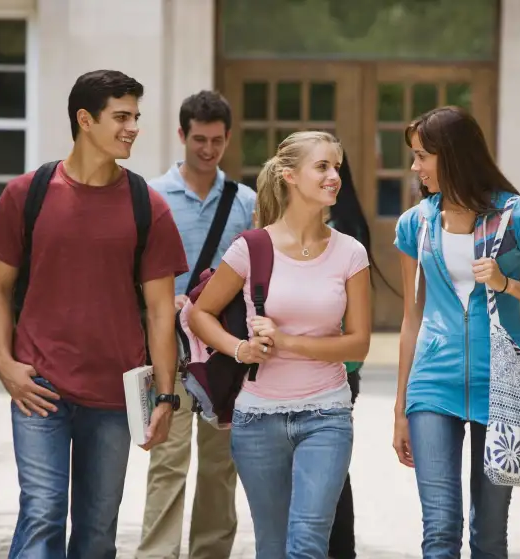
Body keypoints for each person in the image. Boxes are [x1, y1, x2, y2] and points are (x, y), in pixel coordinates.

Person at [0, 70, 188, 558]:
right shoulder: (25, 195)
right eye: (121, 116)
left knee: (97, 531)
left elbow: (161, 312)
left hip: (114, 398)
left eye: (135, 116)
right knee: (43, 511)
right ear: (84, 120)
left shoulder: (147, 206)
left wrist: (164, 396)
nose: (133, 127)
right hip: (40, 387)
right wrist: (5, 366)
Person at [393, 106, 520, 558]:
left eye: (422, 156)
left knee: (489, 536)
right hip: (432, 386)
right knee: (439, 529)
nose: (415, 167)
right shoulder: (415, 224)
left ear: (452, 156)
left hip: (503, 388)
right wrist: (400, 406)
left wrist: (507, 283)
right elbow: (411, 317)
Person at [188, 130, 371, 558]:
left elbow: (358, 344)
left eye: (337, 168)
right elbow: (200, 314)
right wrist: (240, 349)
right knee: (271, 547)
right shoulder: (251, 247)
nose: (334, 177)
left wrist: (287, 341)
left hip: (326, 414)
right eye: (322, 166)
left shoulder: (350, 253)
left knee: (307, 542)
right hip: (257, 420)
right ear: (289, 176)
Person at [137, 90, 256, 559]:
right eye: (199, 140)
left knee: (219, 467)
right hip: (166, 349)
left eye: (217, 141)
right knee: (166, 461)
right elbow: (135, 271)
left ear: (228, 139)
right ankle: (157, 554)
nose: (208, 150)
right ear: (182, 135)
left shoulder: (244, 202)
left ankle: (211, 553)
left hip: (220, 354)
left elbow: (253, 276)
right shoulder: (151, 195)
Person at [325, 151, 372, 559]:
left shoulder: (346, 234)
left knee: (332, 469)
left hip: (338, 369)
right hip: (286, 370)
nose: (327, 176)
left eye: (333, 167)